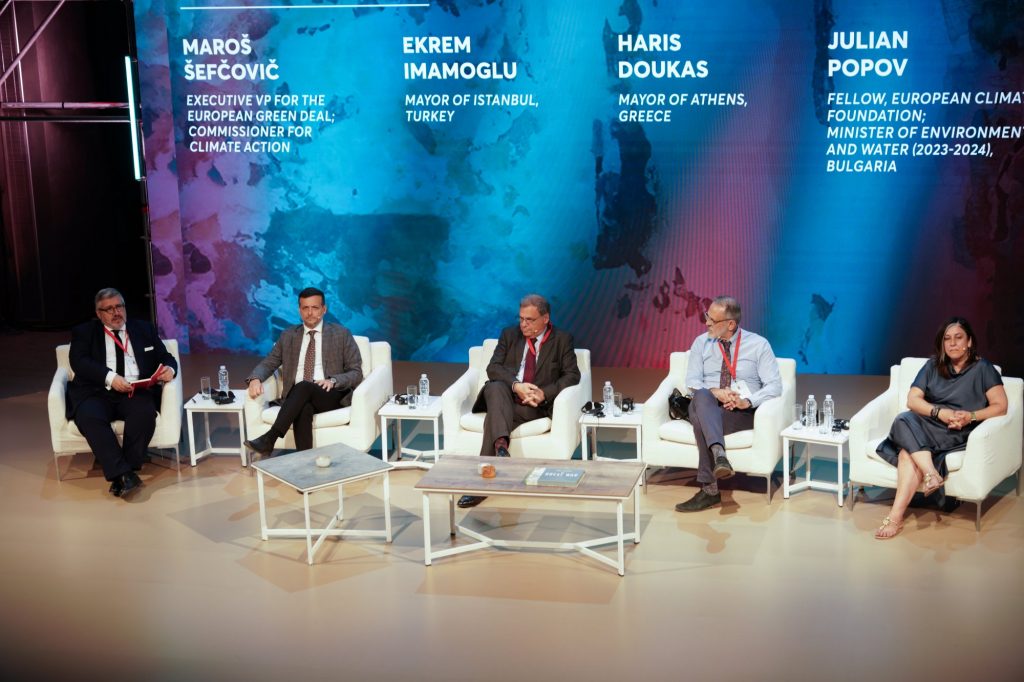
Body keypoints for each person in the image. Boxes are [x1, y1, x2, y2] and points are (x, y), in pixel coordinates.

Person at [873, 316, 1007, 539]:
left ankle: (895, 518)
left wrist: (971, 416)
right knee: (903, 419)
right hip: (931, 423)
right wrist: (939, 412)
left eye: (958, 338)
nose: (952, 343)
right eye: (947, 339)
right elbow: (913, 400)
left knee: (907, 453)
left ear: (969, 342)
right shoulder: (933, 365)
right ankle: (931, 474)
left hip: (958, 429)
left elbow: (1000, 406)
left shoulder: (983, 368)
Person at [457, 294, 581, 508]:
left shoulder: (562, 339)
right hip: (505, 394)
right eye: (521, 318)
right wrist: (516, 385)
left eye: (529, 320)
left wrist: (543, 393)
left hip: (532, 405)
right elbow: (493, 367)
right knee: (495, 386)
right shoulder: (509, 334)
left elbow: (572, 375)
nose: (523, 324)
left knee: (494, 418)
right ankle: (498, 454)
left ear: (545, 319)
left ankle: (489, 470)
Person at [674, 296, 782, 512]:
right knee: (702, 396)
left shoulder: (758, 345)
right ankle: (719, 456)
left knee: (699, 418)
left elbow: (775, 386)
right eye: (707, 316)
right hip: (709, 404)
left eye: (712, 320)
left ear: (730, 324)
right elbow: (692, 381)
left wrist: (746, 401)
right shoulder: (701, 343)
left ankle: (710, 490)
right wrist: (717, 392)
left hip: (741, 412)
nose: (707, 323)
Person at [67, 288, 177, 498]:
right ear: (99, 314)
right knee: (89, 417)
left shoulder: (144, 329)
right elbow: (79, 362)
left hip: (134, 391)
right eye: (109, 309)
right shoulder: (85, 332)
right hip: (97, 391)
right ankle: (123, 474)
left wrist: (170, 369)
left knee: (144, 414)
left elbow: (165, 357)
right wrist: (110, 377)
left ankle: (125, 470)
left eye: (119, 306)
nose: (116, 312)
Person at [244, 287, 363, 456]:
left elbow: (356, 372)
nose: (310, 313)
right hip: (296, 397)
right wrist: (255, 378)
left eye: (315, 308)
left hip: (329, 394)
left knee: (304, 386)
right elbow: (269, 362)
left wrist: (333, 380)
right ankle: (305, 461)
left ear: (324, 309)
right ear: (299, 310)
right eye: (305, 308)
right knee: (304, 406)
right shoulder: (288, 335)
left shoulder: (341, 334)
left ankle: (270, 438)